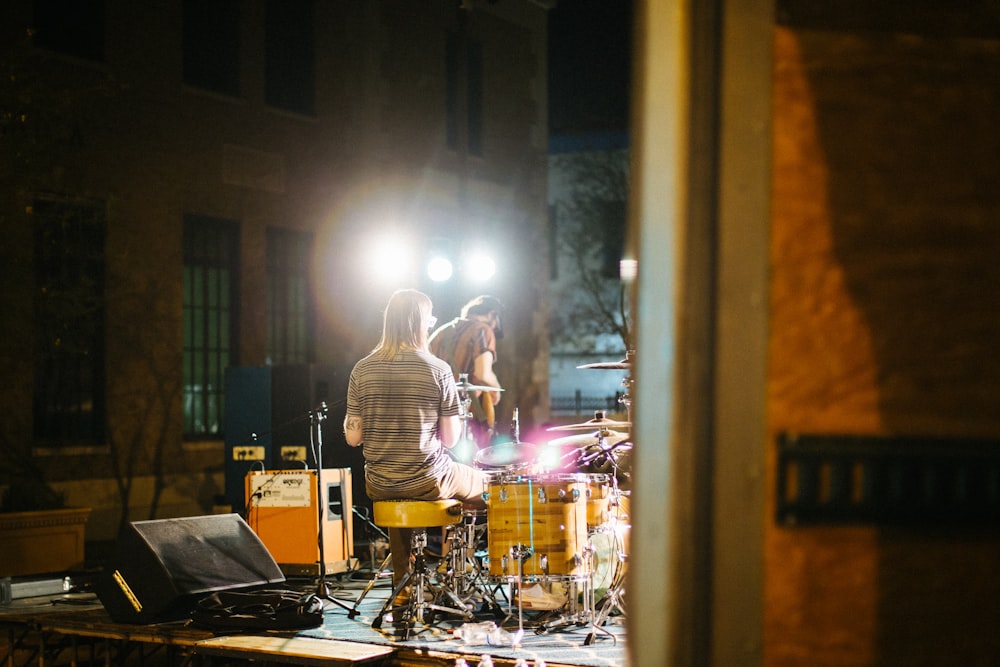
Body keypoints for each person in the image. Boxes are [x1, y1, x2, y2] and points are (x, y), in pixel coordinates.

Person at [343, 289, 488, 603]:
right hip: (428, 480)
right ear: (421, 323)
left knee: (399, 483)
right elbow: (451, 440)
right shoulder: (438, 369)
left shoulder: (362, 369)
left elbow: (353, 438)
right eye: (430, 319)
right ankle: (469, 572)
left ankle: (403, 587)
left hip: (379, 484)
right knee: (488, 485)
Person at [428, 294, 504, 448]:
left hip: (431, 418)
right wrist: (496, 390)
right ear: (491, 315)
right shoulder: (482, 330)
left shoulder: (440, 333)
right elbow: (483, 374)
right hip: (461, 418)